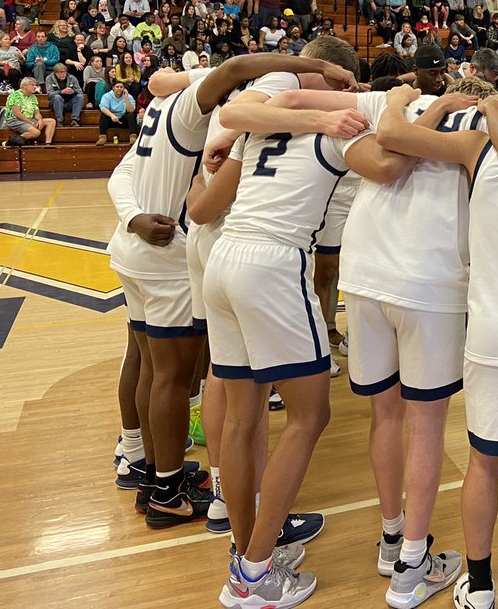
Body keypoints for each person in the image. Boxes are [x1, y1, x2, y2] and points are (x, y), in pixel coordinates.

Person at [105, 50, 359, 537]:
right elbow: (233, 84)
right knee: (188, 379)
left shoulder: (169, 104)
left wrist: (133, 214)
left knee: (156, 362)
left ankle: (137, 457)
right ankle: (175, 492)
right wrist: (316, 98)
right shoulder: (234, 96)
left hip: (159, 241)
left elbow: (127, 170)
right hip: (202, 245)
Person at [369, 86, 498, 609]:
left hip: (488, 328)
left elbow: (393, 134)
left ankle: (480, 587)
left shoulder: (474, 147)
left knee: (484, 464)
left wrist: (454, 105)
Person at [2, 75, 56, 145]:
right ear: (24, 86)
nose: (35, 87)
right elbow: (17, 113)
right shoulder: (15, 95)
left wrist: (40, 120)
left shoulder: (33, 97)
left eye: (35, 85)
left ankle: (48, 144)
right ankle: (9, 142)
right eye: (32, 85)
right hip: (15, 120)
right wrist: (31, 122)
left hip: (29, 119)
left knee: (51, 121)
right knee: (36, 132)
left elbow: (37, 113)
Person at [45, 62, 84, 126]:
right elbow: (49, 95)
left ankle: (75, 120)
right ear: (55, 73)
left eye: (64, 72)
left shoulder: (72, 78)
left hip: (69, 103)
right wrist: (61, 92)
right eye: (59, 72)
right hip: (56, 103)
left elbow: (80, 92)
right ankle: (59, 121)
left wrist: (73, 91)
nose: (62, 74)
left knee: (80, 97)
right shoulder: (49, 78)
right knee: (57, 97)